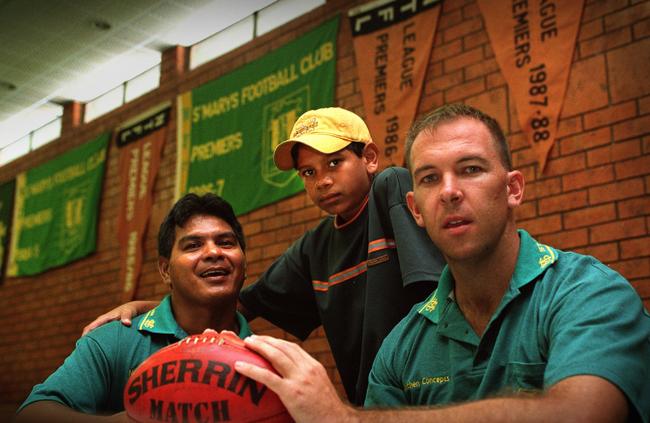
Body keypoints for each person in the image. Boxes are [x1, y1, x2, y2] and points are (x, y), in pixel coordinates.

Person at [234, 103, 650, 422]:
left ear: (513, 189)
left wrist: (344, 417)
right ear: (415, 209)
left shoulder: (590, 293)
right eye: (430, 178)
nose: (449, 192)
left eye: (470, 169)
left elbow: (584, 414)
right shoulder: (399, 351)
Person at [82, 107, 445, 405]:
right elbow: (239, 304)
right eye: (308, 172)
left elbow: (434, 298)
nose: (322, 181)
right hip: (374, 406)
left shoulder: (391, 187)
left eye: (334, 163)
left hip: (435, 387)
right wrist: (150, 306)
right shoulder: (313, 248)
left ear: (368, 158)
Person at [16, 193, 252, 422]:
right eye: (193, 245)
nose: (213, 252)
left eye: (226, 243)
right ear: (165, 270)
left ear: (244, 264)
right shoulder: (114, 341)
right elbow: (31, 414)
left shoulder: (264, 356)